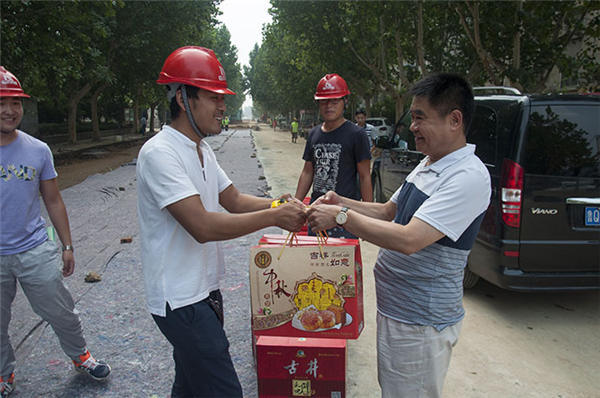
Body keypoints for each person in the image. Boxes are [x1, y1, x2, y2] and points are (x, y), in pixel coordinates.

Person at [306, 73, 491, 398]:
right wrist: (341, 200)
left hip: (422, 322)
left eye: (420, 118)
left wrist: (340, 216)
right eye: (412, 117)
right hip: (397, 312)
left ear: (455, 120)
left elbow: (409, 239)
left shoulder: (468, 177)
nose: (412, 127)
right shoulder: (429, 164)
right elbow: (388, 212)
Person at [136, 46, 306, 398]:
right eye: (213, 97)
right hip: (181, 300)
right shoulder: (160, 153)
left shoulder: (202, 149)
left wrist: (281, 202)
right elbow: (202, 226)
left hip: (204, 290)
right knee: (224, 389)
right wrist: (275, 216)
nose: (222, 106)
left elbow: (234, 200)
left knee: (188, 384)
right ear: (183, 98)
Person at [0, 66, 111, 397]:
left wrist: (67, 245)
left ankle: (81, 357)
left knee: (60, 309)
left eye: (15, 103)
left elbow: (53, 199)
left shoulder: (37, 150)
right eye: (1, 102)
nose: (9, 110)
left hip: (35, 248)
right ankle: (4, 374)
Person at [294, 73, 372, 238]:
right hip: (316, 215)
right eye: (324, 101)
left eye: (334, 101)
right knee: (315, 261)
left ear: (345, 102)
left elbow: (365, 176)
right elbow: (308, 172)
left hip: (344, 218)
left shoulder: (357, 135)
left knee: (341, 261)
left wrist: (368, 219)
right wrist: (296, 205)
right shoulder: (314, 134)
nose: (328, 106)